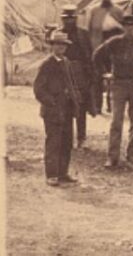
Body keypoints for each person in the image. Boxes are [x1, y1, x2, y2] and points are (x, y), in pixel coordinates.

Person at [92, 13, 133, 168]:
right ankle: (113, 157)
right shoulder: (114, 42)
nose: (130, 28)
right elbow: (97, 56)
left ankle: (132, 154)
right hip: (118, 84)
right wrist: (104, 74)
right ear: (123, 27)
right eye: (127, 25)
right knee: (116, 121)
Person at [34, 32, 81, 186]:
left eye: (63, 45)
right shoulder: (47, 64)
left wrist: (75, 99)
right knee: (54, 142)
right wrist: (52, 102)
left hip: (67, 109)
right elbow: (39, 89)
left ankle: (63, 173)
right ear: (52, 46)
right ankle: (52, 174)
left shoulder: (66, 62)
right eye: (58, 44)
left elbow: (72, 83)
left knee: (66, 141)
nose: (61, 47)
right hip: (53, 110)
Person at [58, 5, 97, 148]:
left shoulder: (83, 34)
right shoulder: (58, 34)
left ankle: (81, 137)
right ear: (62, 19)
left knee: (81, 105)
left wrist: (91, 74)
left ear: (75, 19)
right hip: (63, 71)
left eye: (71, 18)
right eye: (66, 19)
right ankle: (65, 137)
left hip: (80, 72)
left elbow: (90, 54)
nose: (69, 21)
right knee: (64, 103)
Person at [86, 0, 124, 112]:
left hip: (114, 48)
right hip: (98, 46)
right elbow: (89, 30)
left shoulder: (118, 10)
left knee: (114, 76)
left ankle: (111, 105)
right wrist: (91, 48)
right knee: (97, 76)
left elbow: (124, 30)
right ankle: (97, 105)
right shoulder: (94, 11)